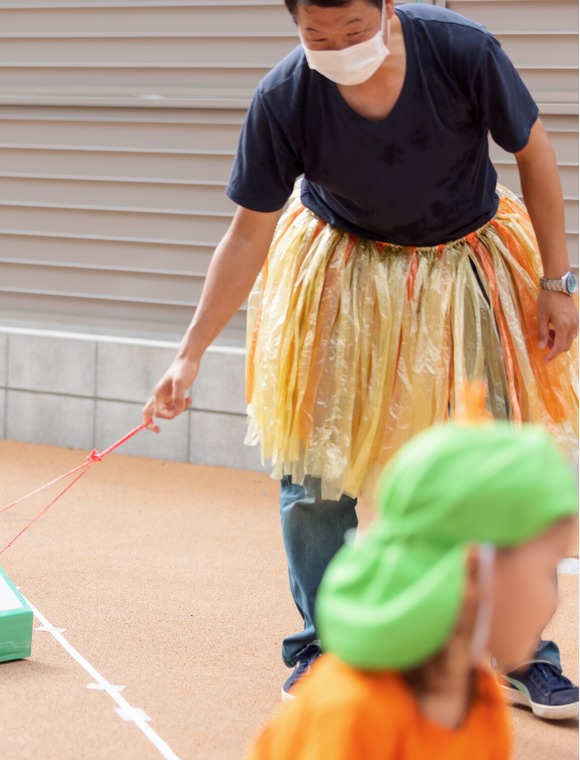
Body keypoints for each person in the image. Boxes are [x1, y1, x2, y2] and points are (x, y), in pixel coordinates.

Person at [142, 0, 579, 714]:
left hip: (466, 259)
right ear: (295, 24)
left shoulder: (460, 50)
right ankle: (327, 647)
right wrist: (188, 355)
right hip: (342, 273)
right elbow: (248, 234)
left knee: (495, 466)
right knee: (315, 472)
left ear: (384, 6)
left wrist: (557, 282)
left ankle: (520, 652)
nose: (339, 46)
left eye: (353, 30)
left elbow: (534, 151)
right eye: (318, 35)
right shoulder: (285, 95)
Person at [247, 418, 578, 758]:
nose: (554, 598)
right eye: (544, 568)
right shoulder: (352, 712)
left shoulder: (477, 697)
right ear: (475, 571)